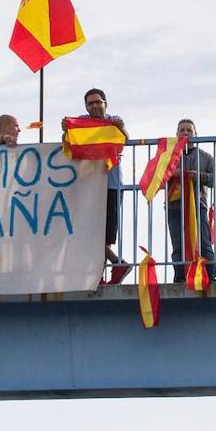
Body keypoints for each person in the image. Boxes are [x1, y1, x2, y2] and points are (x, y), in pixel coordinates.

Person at [62, 88, 129, 284]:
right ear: (86, 106)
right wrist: (67, 128)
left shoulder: (114, 120)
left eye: (98, 102)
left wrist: (121, 127)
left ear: (105, 103)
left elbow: (124, 140)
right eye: (90, 103)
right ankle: (113, 266)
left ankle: (102, 274)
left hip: (111, 185)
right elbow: (68, 142)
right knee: (91, 231)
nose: (94, 106)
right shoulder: (82, 122)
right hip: (90, 185)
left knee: (105, 234)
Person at [166, 119, 216, 282]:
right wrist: (171, 173)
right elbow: (156, 177)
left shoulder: (206, 157)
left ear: (196, 134)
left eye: (189, 130)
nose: (185, 133)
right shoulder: (168, 157)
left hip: (198, 206)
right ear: (176, 135)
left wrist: (198, 176)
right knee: (178, 242)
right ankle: (180, 277)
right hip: (174, 206)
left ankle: (210, 275)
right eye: (181, 130)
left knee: (203, 241)